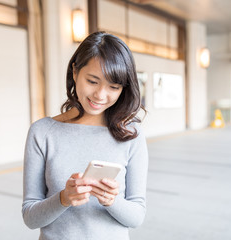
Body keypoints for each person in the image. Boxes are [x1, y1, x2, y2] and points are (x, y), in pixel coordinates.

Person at [22, 32, 149, 240]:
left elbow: (136, 217)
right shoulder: (42, 132)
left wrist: (111, 200)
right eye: (92, 81)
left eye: (113, 87)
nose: (100, 95)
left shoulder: (131, 134)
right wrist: (64, 198)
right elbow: (30, 217)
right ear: (75, 72)